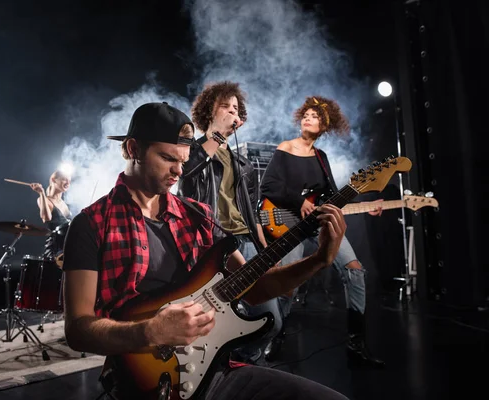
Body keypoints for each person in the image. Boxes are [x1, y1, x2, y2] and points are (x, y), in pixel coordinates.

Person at [62, 101, 350, 400]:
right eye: (167, 158)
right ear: (133, 149)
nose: (178, 171)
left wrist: (318, 260)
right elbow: (78, 330)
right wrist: (150, 331)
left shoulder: (199, 216)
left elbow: (254, 288)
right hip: (143, 384)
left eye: (183, 161)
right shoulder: (92, 224)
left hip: (216, 372)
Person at [259, 95, 385, 367]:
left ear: (325, 125)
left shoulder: (321, 157)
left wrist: (367, 204)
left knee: (355, 270)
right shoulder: (286, 147)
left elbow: (332, 198)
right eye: (306, 114)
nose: (308, 118)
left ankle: (356, 342)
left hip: (320, 224)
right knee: (288, 282)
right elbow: (267, 187)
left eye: (315, 116)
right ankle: (275, 335)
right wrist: (299, 201)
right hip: (289, 223)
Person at [178, 81, 283, 364]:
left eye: (235, 108)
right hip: (212, 248)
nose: (231, 111)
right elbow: (185, 175)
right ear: (208, 110)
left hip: (246, 244)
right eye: (225, 105)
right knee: (217, 326)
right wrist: (218, 134)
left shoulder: (243, 164)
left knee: (271, 321)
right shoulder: (190, 150)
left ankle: (239, 367)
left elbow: (252, 214)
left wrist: (265, 252)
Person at [30, 170, 72, 267]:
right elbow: (46, 218)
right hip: (55, 250)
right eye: (64, 179)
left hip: (68, 248)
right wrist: (41, 193)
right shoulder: (44, 199)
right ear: (54, 180)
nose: (67, 183)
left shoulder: (65, 204)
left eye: (69, 181)